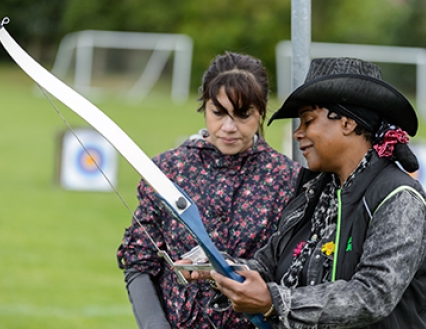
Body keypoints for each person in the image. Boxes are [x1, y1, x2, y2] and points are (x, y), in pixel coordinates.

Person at [196, 57, 426, 328]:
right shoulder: (313, 191)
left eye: (308, 120)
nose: (298, 133)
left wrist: (275, 301)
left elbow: (372, 295)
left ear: (347, 123)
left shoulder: (399, 197)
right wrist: (219, 267)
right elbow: (267, 264)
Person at [116, 51, 302, 329]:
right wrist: (155, 323)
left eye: (243, 114)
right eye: (218, 112)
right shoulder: (168, 169)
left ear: (261, 112)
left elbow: (293, 269)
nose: (228, 127)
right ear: (205, 106)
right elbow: (139, 260)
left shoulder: (287, 178)